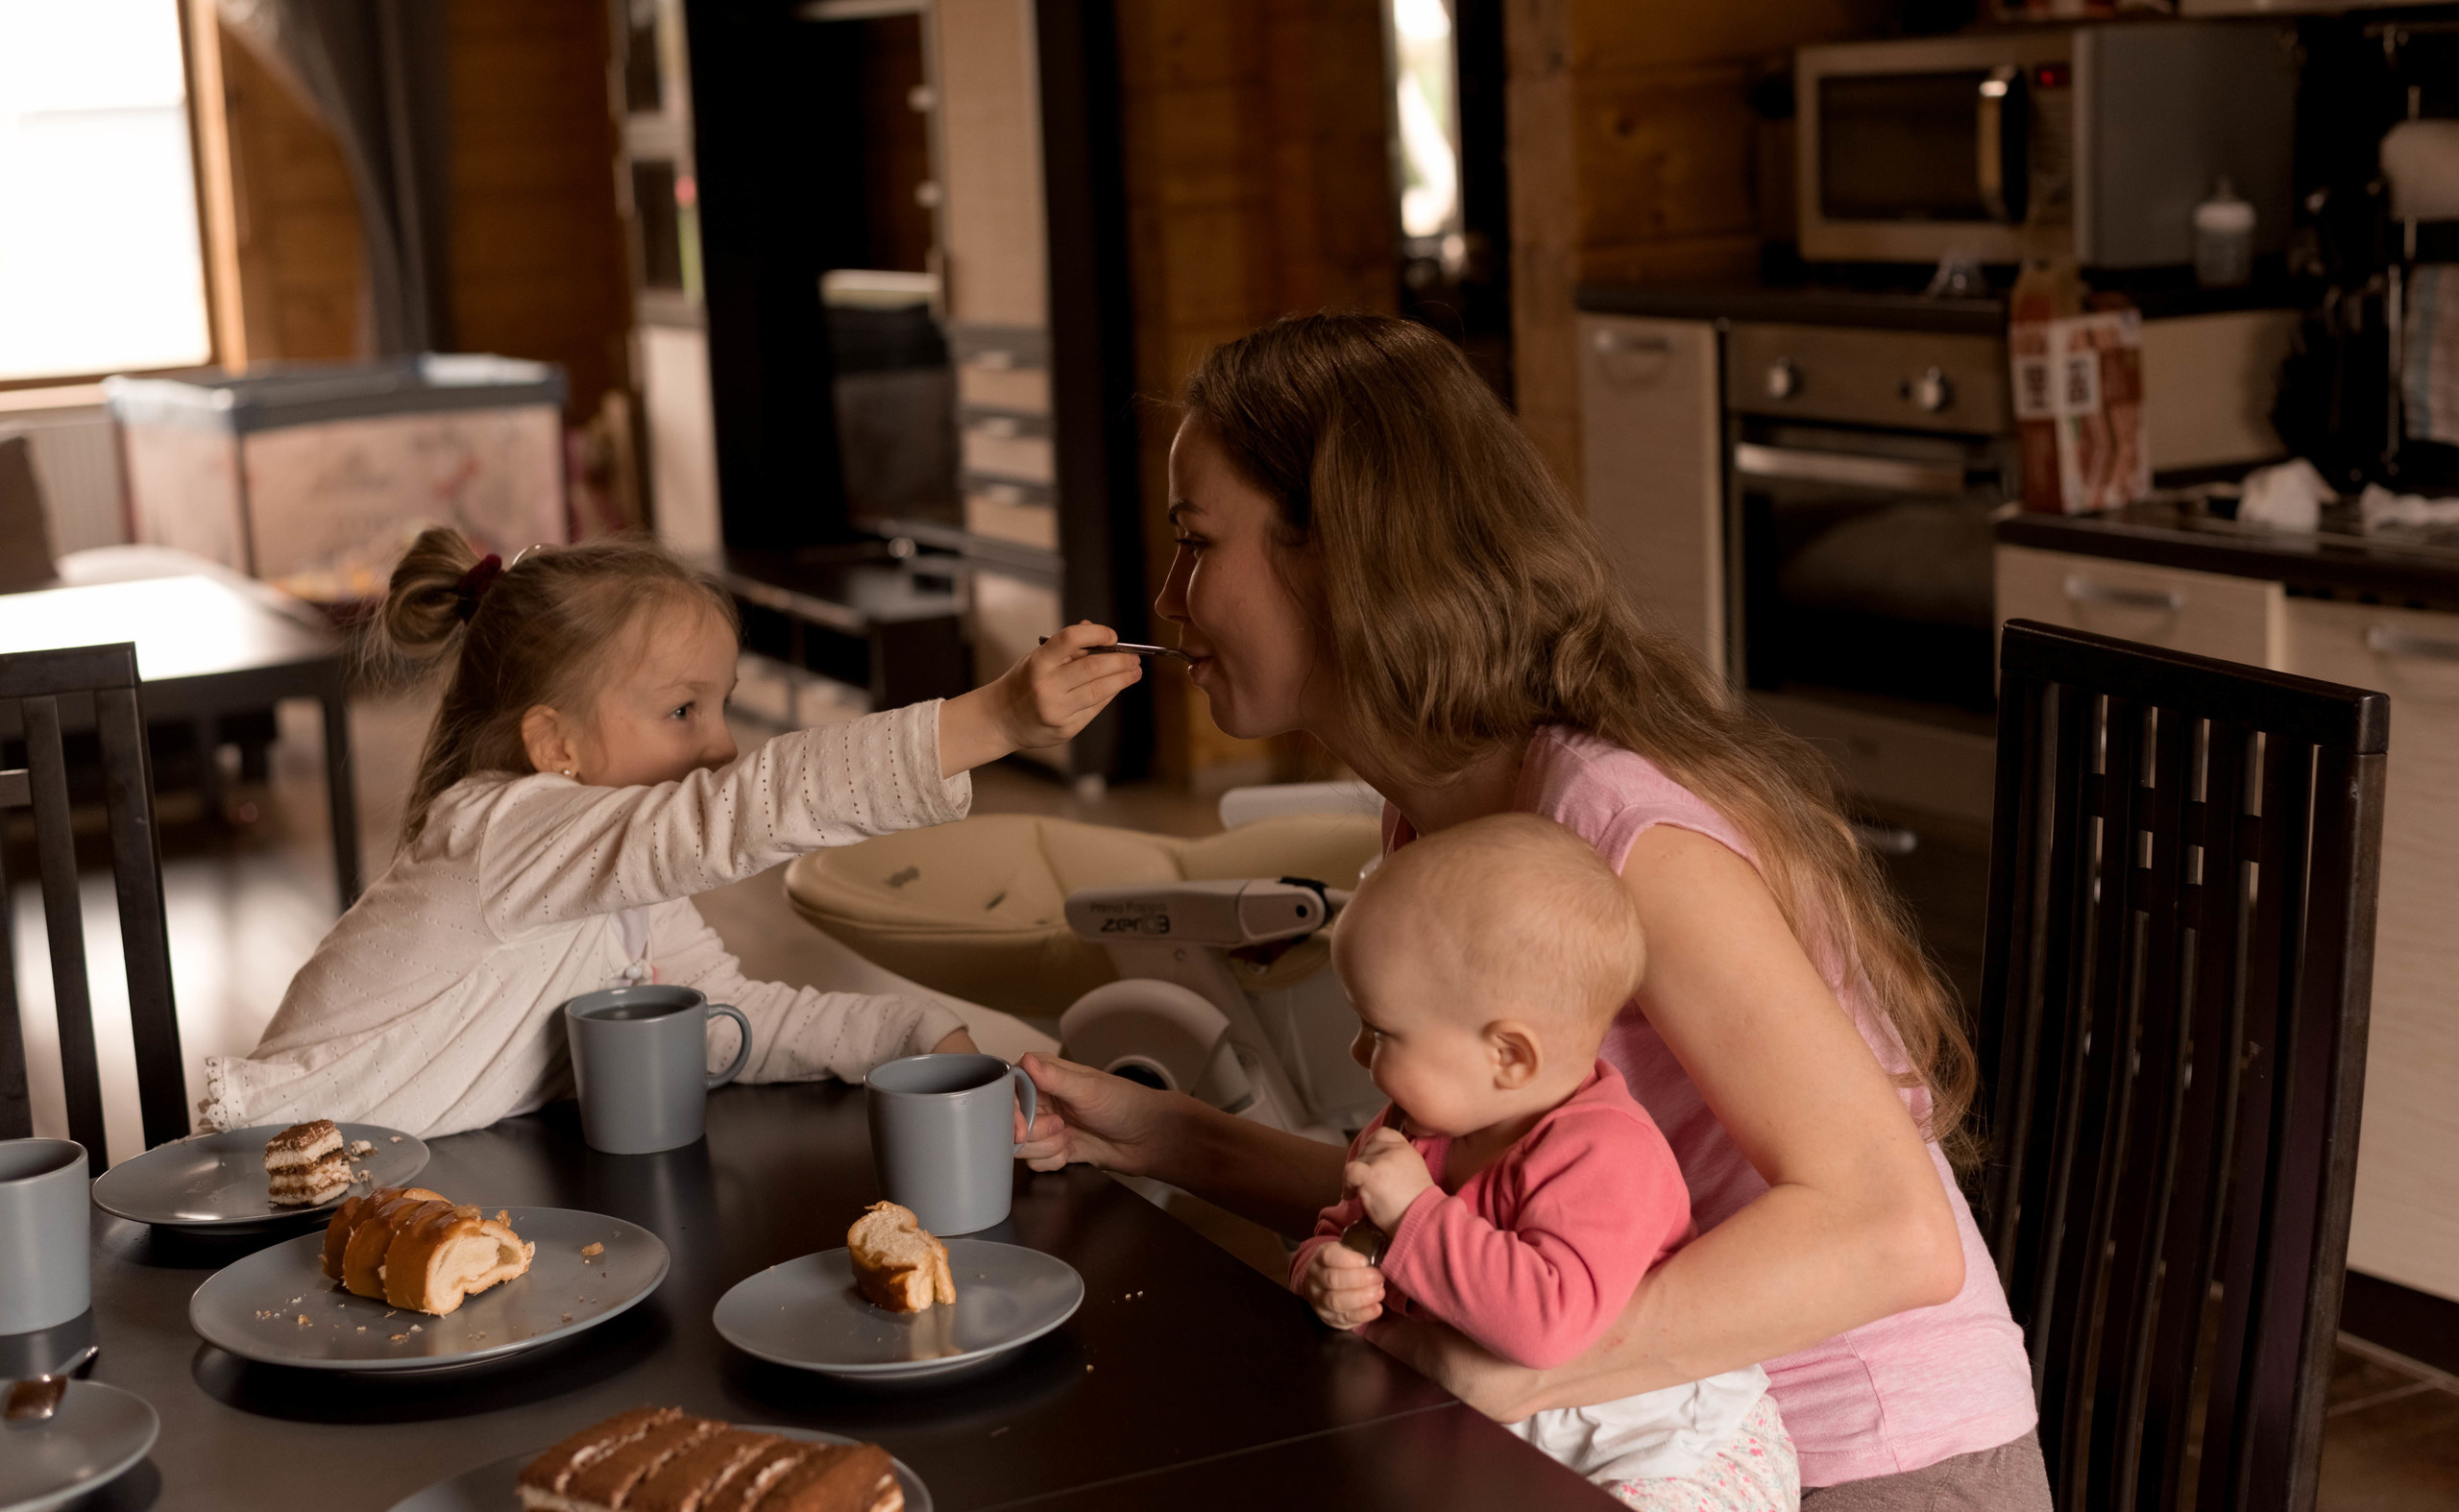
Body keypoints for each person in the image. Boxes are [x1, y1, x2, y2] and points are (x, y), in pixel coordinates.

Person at [1018, 313, 2050, 1507]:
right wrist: (1159, 1135)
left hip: (1861, 1459)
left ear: (1342, 554)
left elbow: (1889, 1233)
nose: (1167, 593)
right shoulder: (1439, 813)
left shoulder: (1616, 826)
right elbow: (1473, 1207)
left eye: (1197, 542)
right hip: (1653, 1433)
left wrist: (1511, 1371)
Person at [202, 529, 1140, 1137]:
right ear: (555, 744)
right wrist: (991, 720)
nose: (722, 745)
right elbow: (740, 811)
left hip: (416, 1188)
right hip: (280, 1186)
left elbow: (720, 1020)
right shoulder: (502, 831)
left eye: (721, 705)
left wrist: (914, 1030)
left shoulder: (619, 884)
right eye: (683, 709)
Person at [1297, 814, 1794, 1510]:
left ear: (1508, 1055)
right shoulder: (1411, 1134)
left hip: (1664, 1446)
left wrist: (1415, 1213)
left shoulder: (1609, 1153)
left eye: (1380, 1033)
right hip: (1507, 1441)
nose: (1358, 1053)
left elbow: (1544, 1325)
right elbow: (1342, 1230)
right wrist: (1325, 1272)